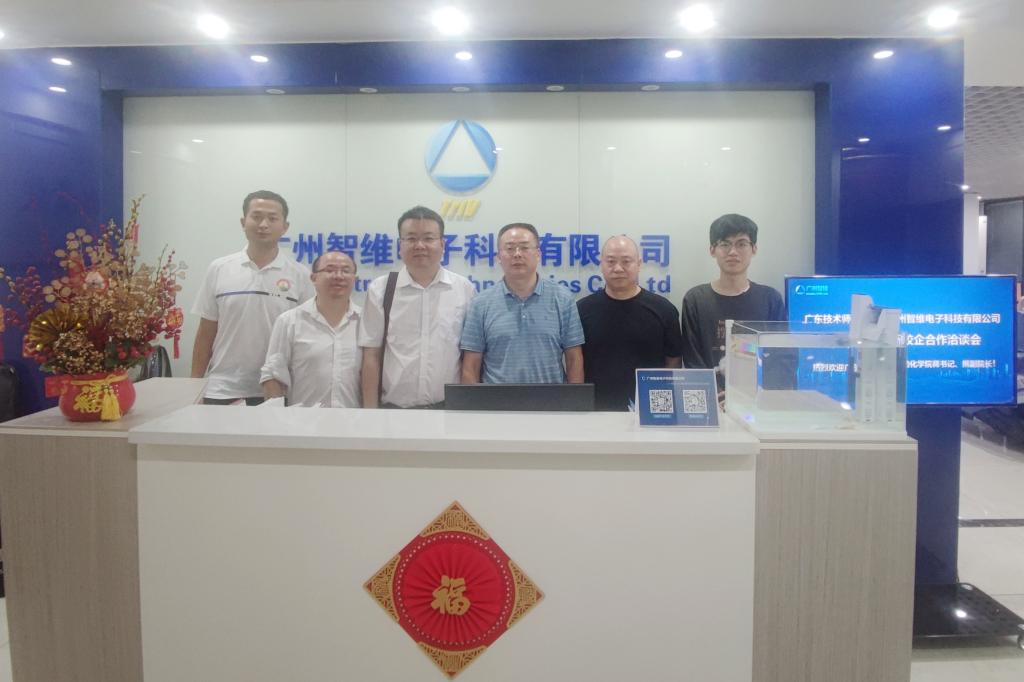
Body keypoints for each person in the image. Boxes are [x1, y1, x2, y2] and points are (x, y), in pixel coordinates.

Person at [191, 190, 314, 404]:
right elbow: (206, 332)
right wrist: (193, 387)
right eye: (256, 217)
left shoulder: (300, 274)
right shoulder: (219, 268)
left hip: (278, 389)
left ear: (285, 226)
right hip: (222, 389)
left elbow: (305, 338)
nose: (263, 224)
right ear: (243, 222)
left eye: (272, 218)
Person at [358, 206, 475, 409]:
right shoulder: (381, 289)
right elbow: (371, 356)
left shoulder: (463, 289)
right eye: (411, 238)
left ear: (442, 244)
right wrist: (370, 414)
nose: (420, 245)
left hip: (448, 410)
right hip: (394, 411)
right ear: (400, 245)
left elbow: (469, 357)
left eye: (428, 238)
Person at [461, 222, 584, 384]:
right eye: (510, 248)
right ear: (498, 257)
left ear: (538, 254)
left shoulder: (563, 299)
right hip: (496, 399)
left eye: (525, 247)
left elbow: (574, 359)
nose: (517, 254)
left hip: (551, 398)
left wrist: (575, 399)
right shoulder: (480, 304)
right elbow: (471, 366)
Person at [578, 235, 683, 411]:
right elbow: (575, 361)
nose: (618, 268)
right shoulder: (582, 310)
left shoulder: (664, 310)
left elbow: (673, 361)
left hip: (650, 411)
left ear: (639, 264)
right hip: (596, 410)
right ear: (601, 264)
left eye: (626, 261)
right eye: (611, 261)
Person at [680, 213, 785, 377]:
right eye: (725, 244)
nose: (733, 252)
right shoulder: (695, 300)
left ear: (754, 249)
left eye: (741, 244)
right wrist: (714, 390)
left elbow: (781, 357)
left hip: (759, 392)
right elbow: (693, 360)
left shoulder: (771, 299)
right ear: (712, 250)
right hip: (710, 392)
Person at [260, 251, 362, 407]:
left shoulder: (366, 322)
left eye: (346, 271)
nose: (338, 276)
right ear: (314, 278)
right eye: (330, 270)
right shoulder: (289, 321)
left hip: (355, 419)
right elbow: (273, 375)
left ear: (355, 279)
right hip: (303, 420)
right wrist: (277, 417)